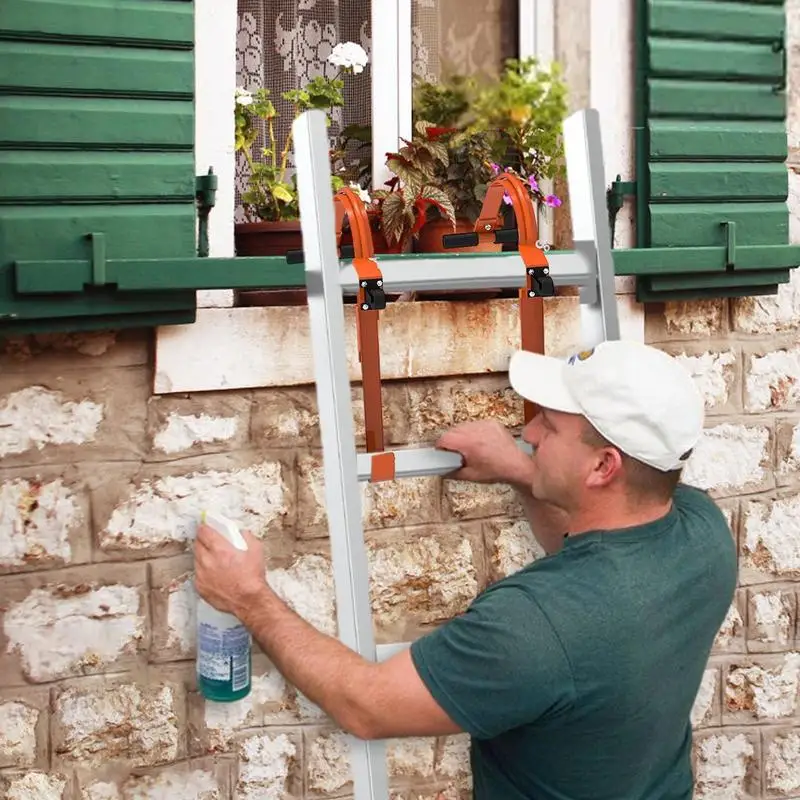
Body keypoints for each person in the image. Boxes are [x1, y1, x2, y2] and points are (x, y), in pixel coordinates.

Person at [194, 339, 737, 800]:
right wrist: (523, 474)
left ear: (603, 465)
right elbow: (596, 551)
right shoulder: (702, 534)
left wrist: (247, 596)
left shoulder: (534, 624)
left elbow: (365, 706)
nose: (531, 435)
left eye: (549, 425)